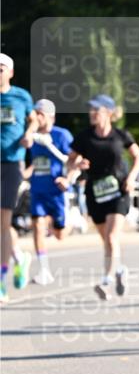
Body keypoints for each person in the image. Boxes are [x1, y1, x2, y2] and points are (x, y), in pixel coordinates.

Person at [67, 94, 139, 300]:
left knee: (111, 237)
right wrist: (77, 164)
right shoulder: (84, 137)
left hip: (119, 191)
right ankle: (119, 270)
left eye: (97, 110)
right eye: (91, 109)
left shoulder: (120, 135)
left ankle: (106, 280)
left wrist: (132, 178)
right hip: (95, 192)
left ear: (109, 113)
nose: (92, 113)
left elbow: (138, 156)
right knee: (107, 240)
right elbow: (70, 160)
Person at [26, 99, 76, 284]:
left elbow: (74, 160)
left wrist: (68, 178)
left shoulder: (62, 135)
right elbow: (35, 162)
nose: (37, 117)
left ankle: (73, 218)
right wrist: (25, 173)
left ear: (50, 116)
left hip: (57, 192)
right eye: (35, 113)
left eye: (40, 114)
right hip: (38, 190)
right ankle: (43, 269)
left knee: (60, 235)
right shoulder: (32, 137)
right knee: (37, 226)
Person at [1, 53, 35, 301]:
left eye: (1, 68)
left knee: (3, 222)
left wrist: (29, 133)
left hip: (12, 163)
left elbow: (33, 121)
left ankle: (1, 280)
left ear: (10, 72)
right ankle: (19, 257)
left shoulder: (21, 96)